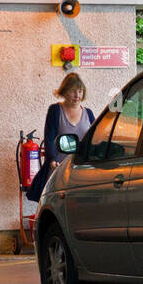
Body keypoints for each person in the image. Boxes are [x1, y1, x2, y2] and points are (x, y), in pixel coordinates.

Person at [26, 73, 94, 202]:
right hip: (59, 169)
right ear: (64, 91)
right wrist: (52, 159)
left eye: (80, 91)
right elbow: (49, 138)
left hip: (81, 171)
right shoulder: (55, 110)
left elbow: (95, 138)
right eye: (73, 91)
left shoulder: (88, 113)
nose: (77, 95)